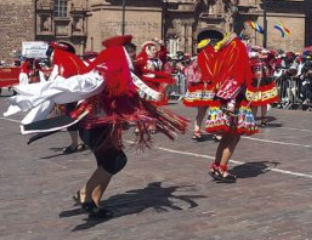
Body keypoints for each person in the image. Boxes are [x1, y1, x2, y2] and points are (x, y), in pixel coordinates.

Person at [5, 35, 188, 218]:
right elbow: (78, 83)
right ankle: (85, 194)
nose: (134, 60)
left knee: (110, 163)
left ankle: (94, 201)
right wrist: (35, 91)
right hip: (93, 127)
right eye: (131, 56)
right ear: (123, 55)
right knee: (115, 161)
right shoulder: (101, 74)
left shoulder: (119, 73)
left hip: (104, 126)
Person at [205, 33, 256, 183]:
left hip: (222, 101)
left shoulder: (224, 62)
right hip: (233, 103)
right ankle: (222, 168)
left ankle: (215, 165)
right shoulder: (237, 59)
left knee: (226, 136)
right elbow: (239, 80)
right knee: (233, 136)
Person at [182, 39, 217, 140]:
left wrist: (184, 70)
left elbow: (190, 70)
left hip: (201, 87)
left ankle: (196, 131)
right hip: (211, 86)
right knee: (214, 109)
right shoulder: (215, 56)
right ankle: (215, 132)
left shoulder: (198, 58)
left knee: (201, 111)